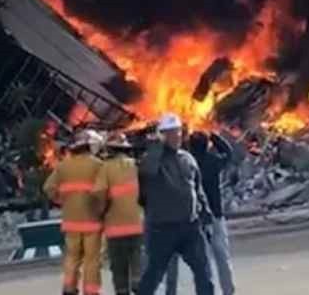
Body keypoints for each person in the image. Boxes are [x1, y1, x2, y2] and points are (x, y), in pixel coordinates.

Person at [135, 114, 215, 295]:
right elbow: (146, 176)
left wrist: (205, 214)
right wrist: (156, 147)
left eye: (178, 132)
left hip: (190, 227)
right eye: (170, 133)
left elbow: (197, 189)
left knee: (203, 271)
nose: (176, 136)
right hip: (162, 229)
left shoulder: (188, 159)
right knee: (153, 274)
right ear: (161, 135)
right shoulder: (151, 160)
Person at [173, 131, 235, 295]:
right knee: (222, 257)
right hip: (215, 214)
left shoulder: (186, 164)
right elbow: (228, 153)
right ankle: (228, 291)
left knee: (203, 260)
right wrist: (214, 136)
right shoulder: (213, 162)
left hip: (195, 217)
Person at [45, 130, 105, 295]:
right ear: (89, 146)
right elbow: (103, 191)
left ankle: (69, 289)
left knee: (72, 258)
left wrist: (61, 201)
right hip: (92, 222)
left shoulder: (63, 166)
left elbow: (48, 188)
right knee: (92, 260)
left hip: (71, 222)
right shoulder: (98, 165)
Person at [95, 133, 143, 295]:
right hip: (137, 226)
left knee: (120, 273)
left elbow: (100, 195)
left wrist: (100, 214)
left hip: (115, 230)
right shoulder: (136, 165)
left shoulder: (105, 168)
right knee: (138, 270)